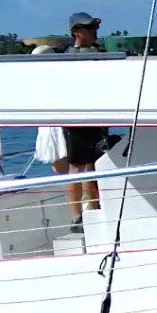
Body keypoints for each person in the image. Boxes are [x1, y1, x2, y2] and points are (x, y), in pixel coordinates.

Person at [59, 12, 111, 231]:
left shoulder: (101, 53)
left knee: (94, 163)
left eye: (95, 28)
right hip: (77, 117)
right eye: (90, 29)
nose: (94, 32)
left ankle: (93, 209)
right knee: (77, 166)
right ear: (77, 32)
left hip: (97, 115)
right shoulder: (66, 57)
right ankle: (76, 216)